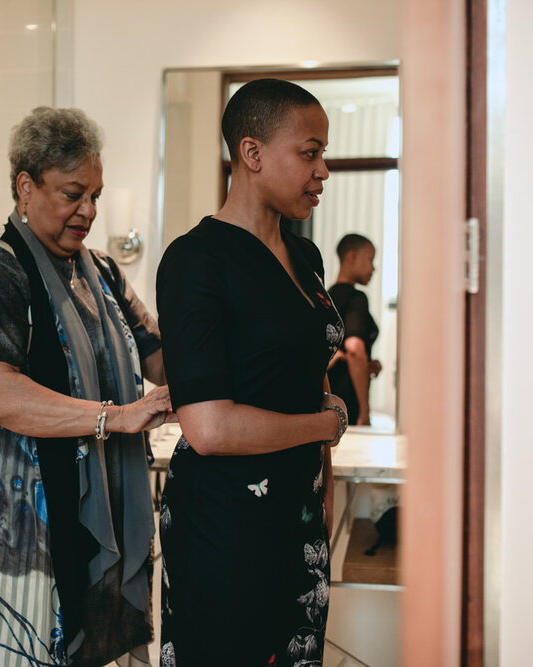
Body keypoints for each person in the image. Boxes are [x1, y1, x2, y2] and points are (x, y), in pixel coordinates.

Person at [0, 106, 174, 667]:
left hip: (97, 508)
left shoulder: (101, 272)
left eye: (95, 195)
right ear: (25, 187)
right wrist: (118, 415)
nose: (88, 211)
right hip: (19, 532)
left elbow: (159, 358)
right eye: (72, 193)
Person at [155, 79, 349, 667]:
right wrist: (323, 426)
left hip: (299, 513)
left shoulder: (306, 256)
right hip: (227, 524)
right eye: (309, 153)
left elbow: (305, 375)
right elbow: (209, 428)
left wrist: (323, 490)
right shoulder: (195, 261)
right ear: (253, 153)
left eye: (323, 154)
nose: (322, 170)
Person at [327, 233, 381, 426]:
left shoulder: (326, 297)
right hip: (349, 400)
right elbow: (355, 349)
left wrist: (367, 363)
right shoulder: (357, 299)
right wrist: (365, 412)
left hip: (327, 399)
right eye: (370, 259)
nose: (373, 268)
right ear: (352, 257)